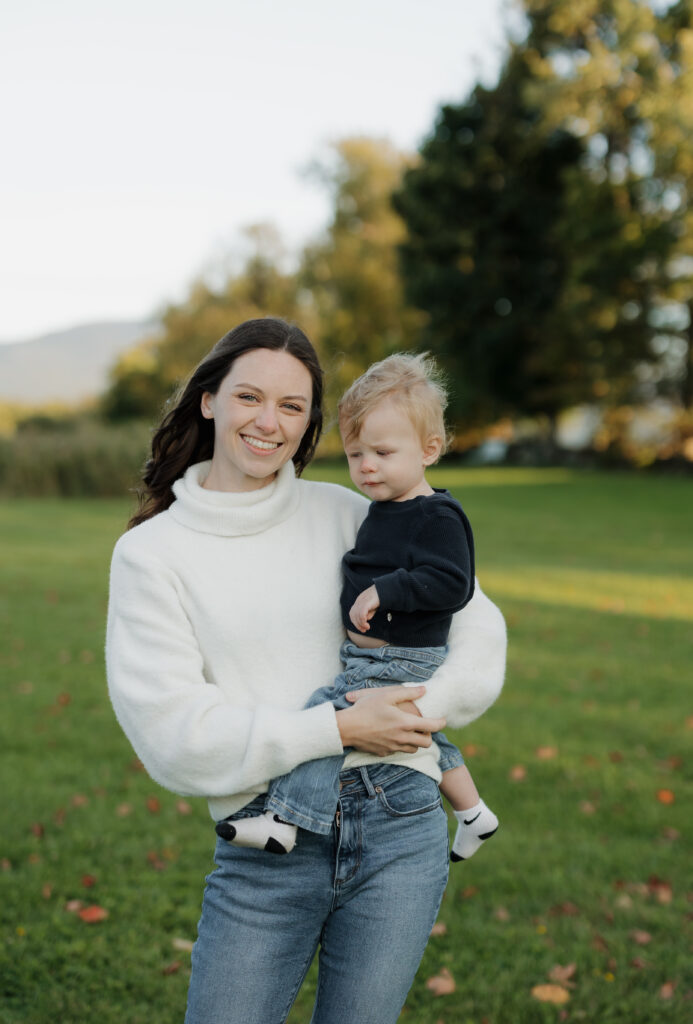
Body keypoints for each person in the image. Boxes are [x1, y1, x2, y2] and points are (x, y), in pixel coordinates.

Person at [106, 317, 506, 1024]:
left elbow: (476, 621)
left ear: (309, 423)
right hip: (267, 842)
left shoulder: (353, 513)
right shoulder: (152, 555)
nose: (268, 422)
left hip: (401, 826)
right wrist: (340, 726)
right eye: (249, 398)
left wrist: (421, 713)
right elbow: (174, 735)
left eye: (291, 407)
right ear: (209, 400)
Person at [219, 353, 498, 863]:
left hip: (404, 656)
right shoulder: (383, 509)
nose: (367, 466)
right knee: (418, 736)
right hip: (374, 657)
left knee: (326, 717)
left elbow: (452, 582)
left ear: (429, 449)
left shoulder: (436, 515)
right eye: (355, 454)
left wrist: (385, 591)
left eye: (383, 452)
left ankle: (285, 821)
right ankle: (476, 814)